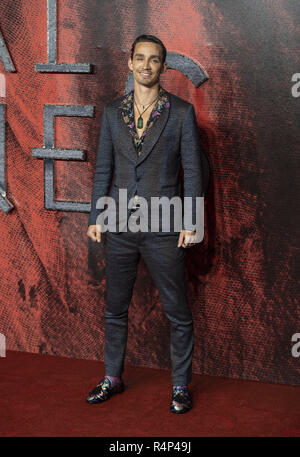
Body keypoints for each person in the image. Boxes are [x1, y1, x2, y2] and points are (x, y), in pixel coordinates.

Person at [86, 34, 203, 414]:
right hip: (118, 224)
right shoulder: (110, 112)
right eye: (140, 58)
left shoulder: (182, 113)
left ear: (164, 67)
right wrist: (96, 217)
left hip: (165, 226)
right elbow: (104, 167)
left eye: (154, 60)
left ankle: (181, 386)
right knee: (114, 309)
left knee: (178, 313)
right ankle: (112, 377)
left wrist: (191, 221)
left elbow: (192, 170)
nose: (146, 65)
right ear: (130, 64)